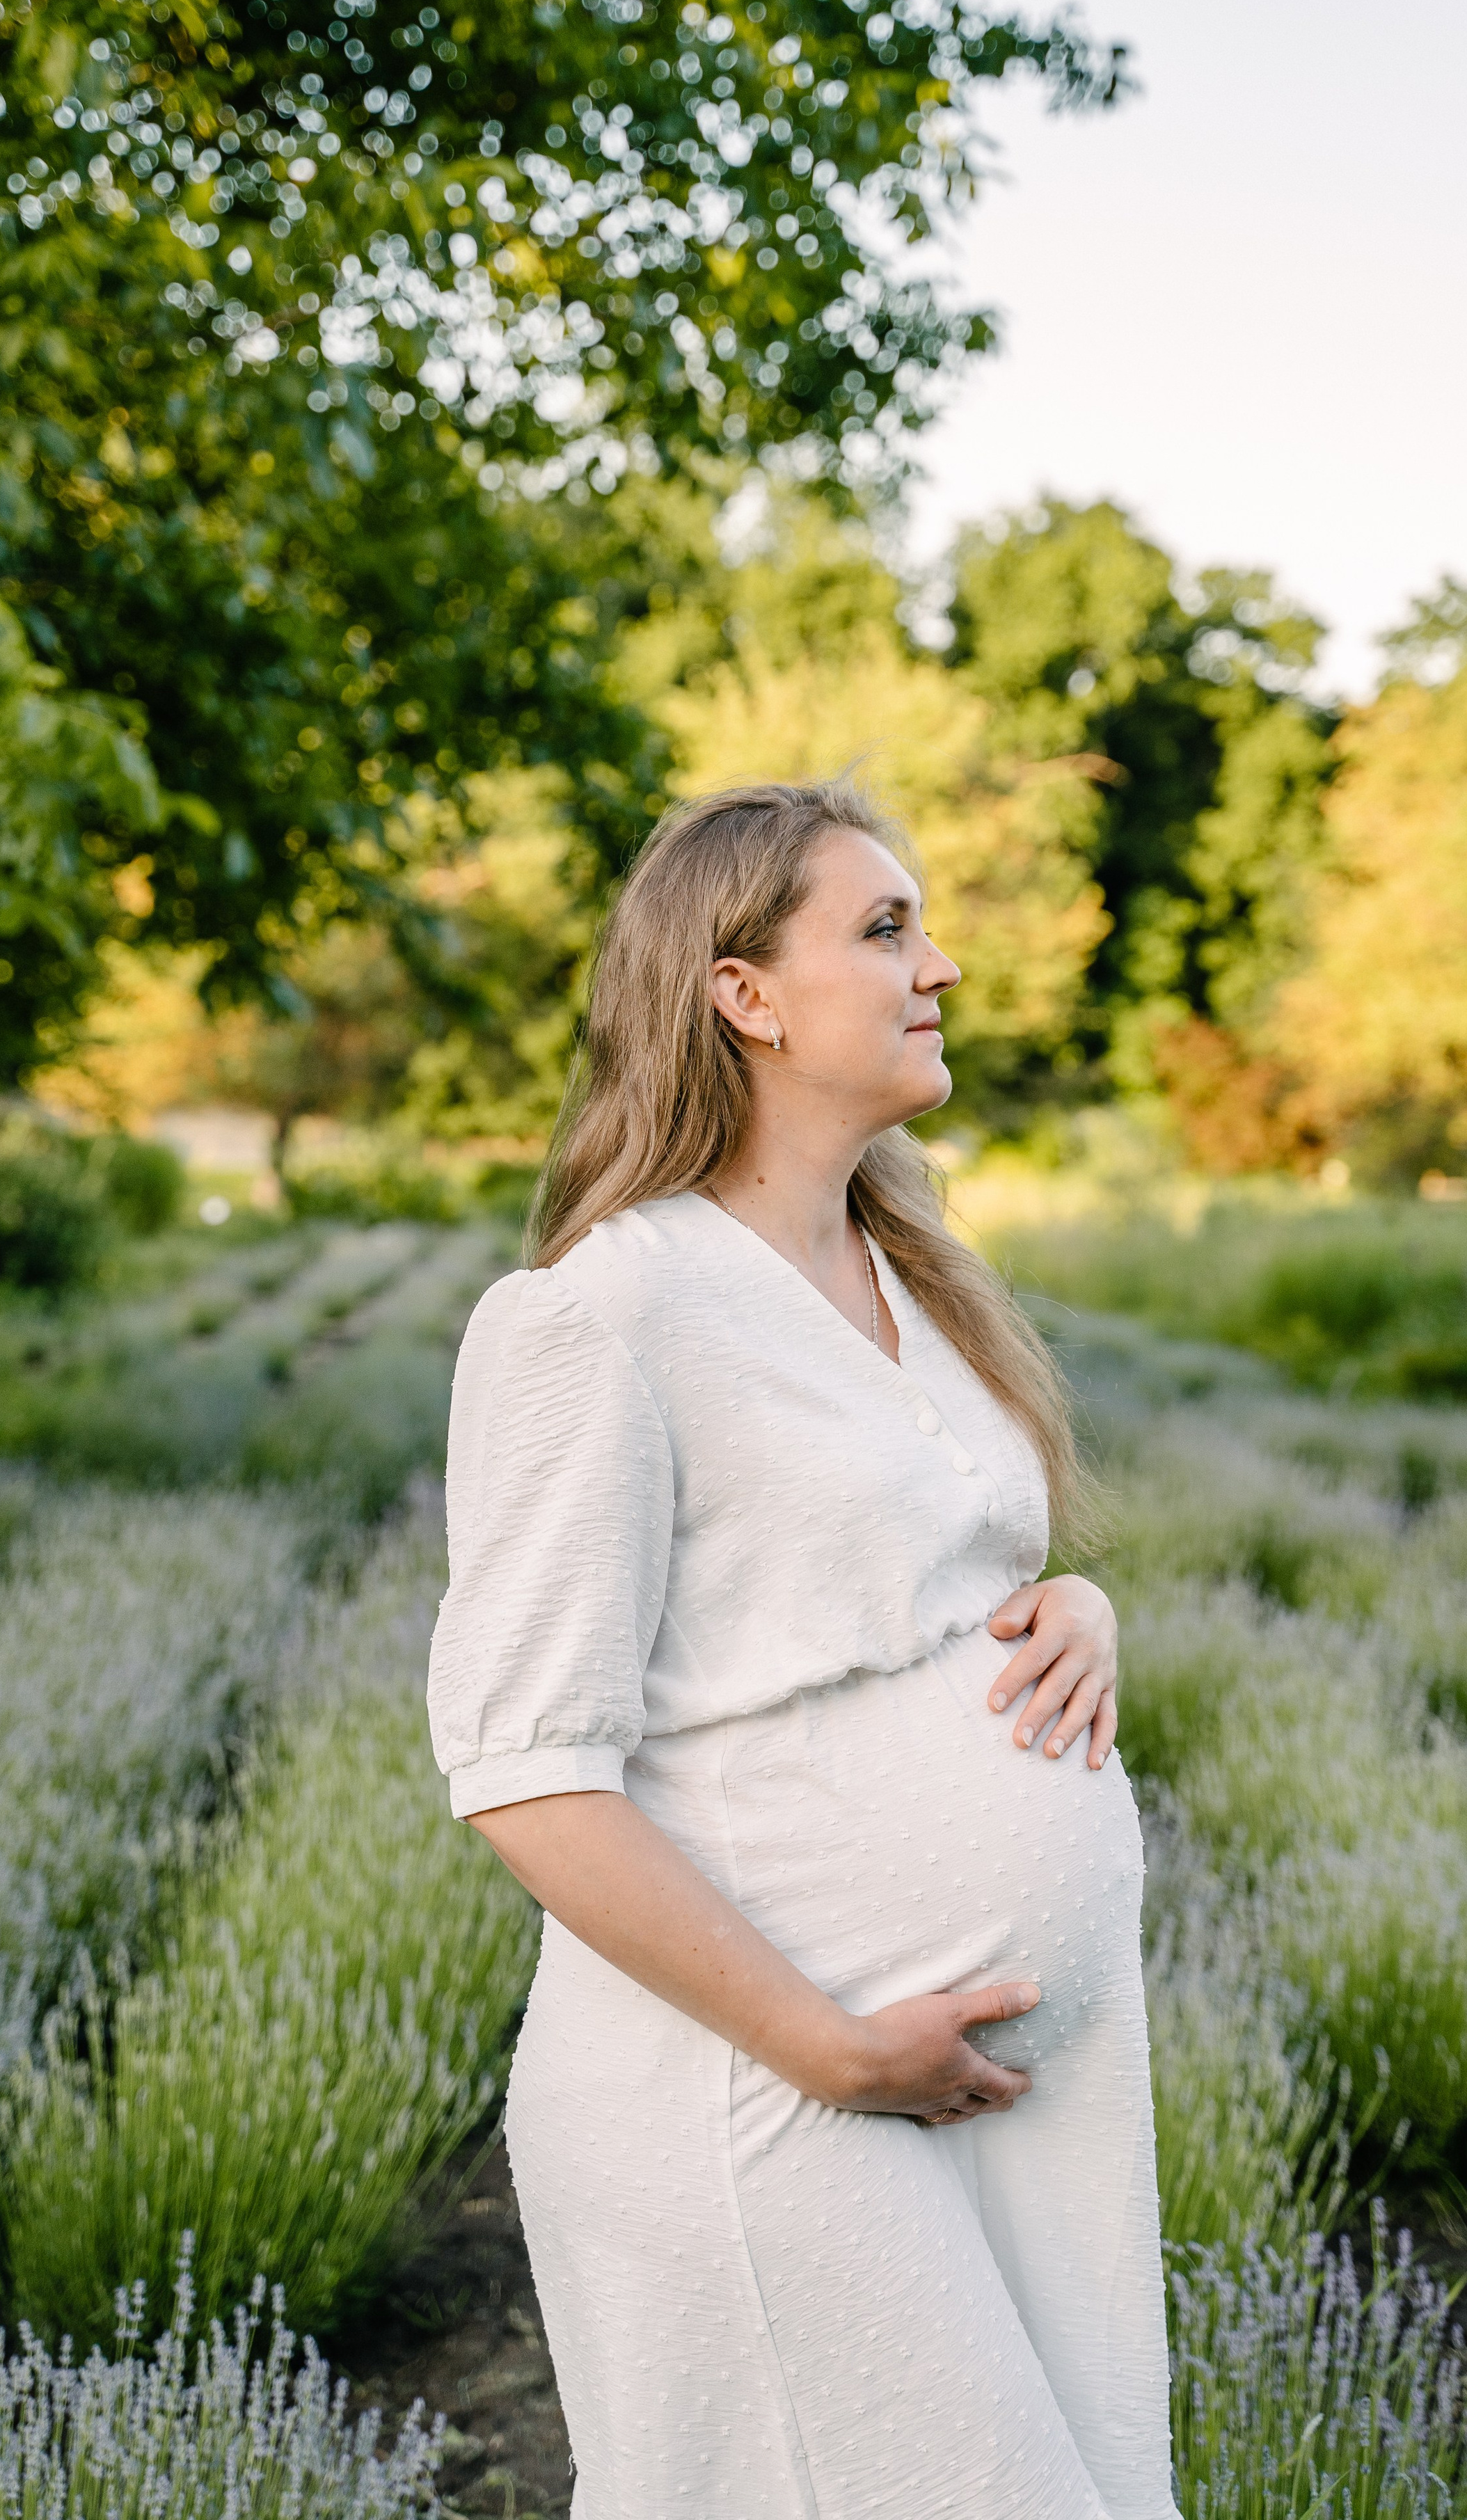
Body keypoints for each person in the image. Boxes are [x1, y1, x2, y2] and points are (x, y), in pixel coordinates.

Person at [427, 779, 1178, 2520]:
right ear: (742, 993)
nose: (945, 964)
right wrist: (830, 2051)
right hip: (765, 2092)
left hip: (1008, 2102)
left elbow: (924, 1574)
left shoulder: (908, 1270)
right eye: (886, 927)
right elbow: (525, 1775)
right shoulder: (598, 1316)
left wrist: (1078, 1606)